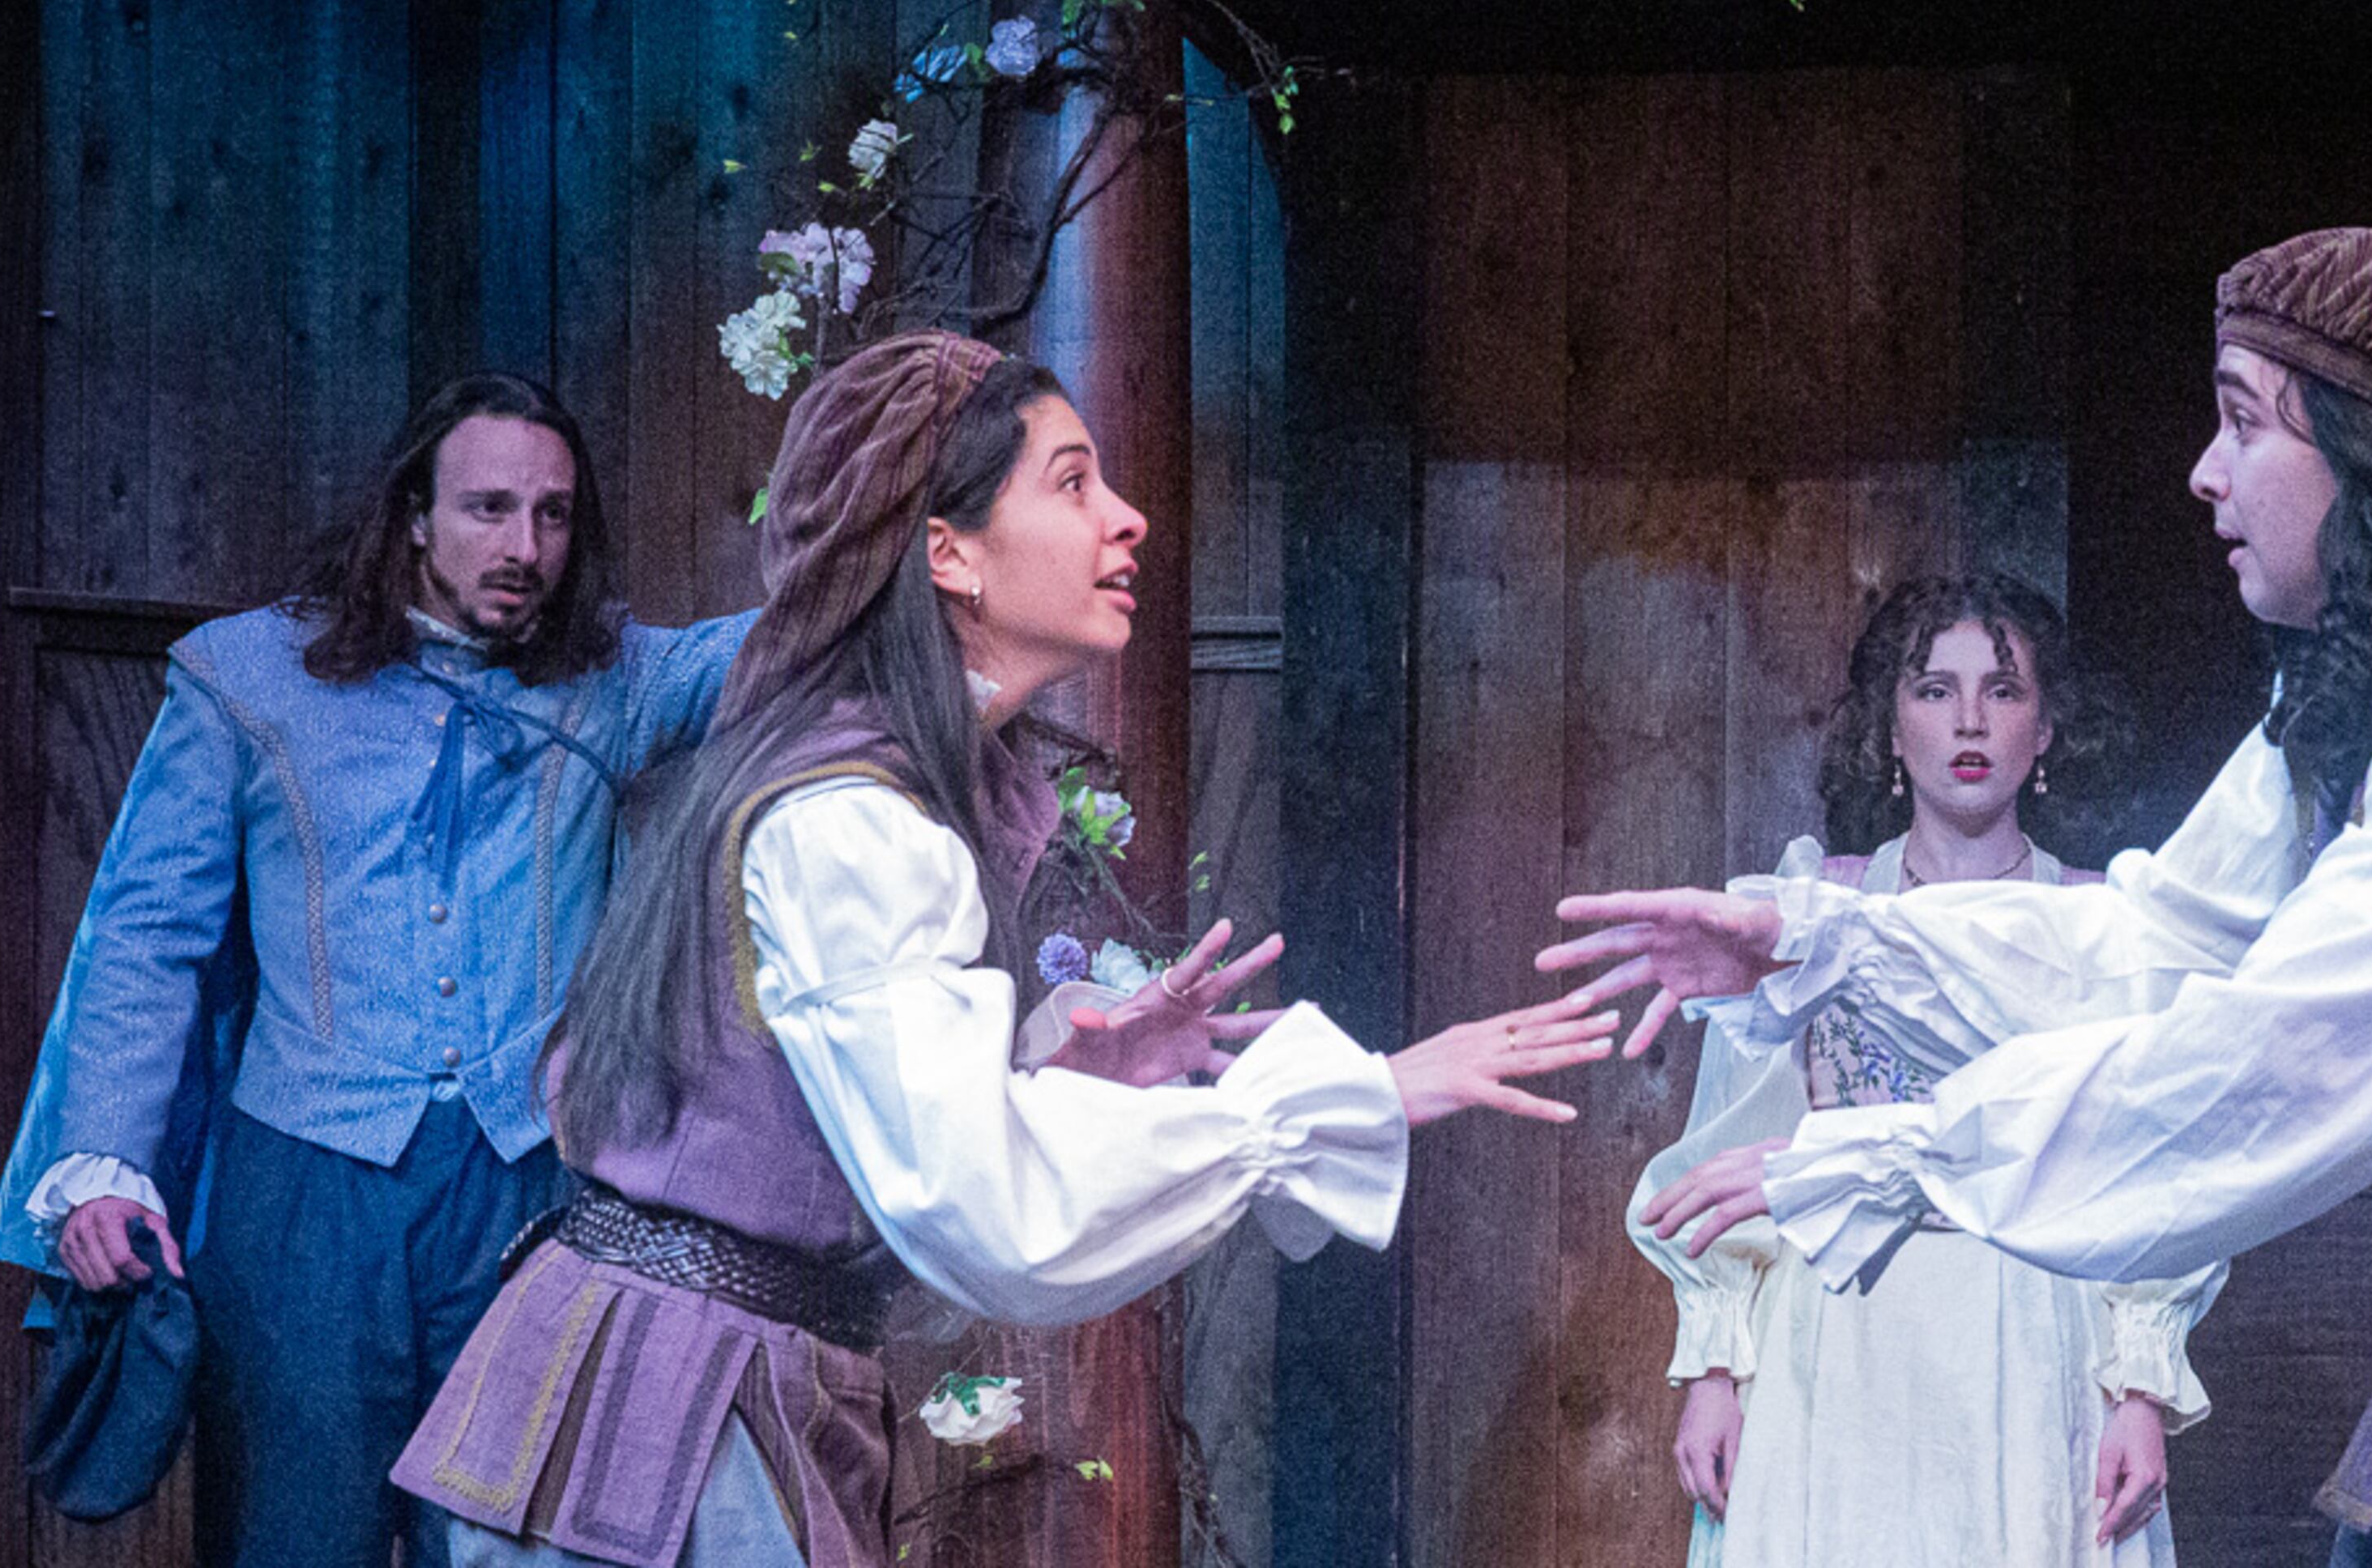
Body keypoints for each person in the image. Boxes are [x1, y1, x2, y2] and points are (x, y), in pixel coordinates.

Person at [1551, 224, 2372, 1566]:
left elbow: (2274, 1059)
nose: (2204, 470)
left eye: (2245, 423)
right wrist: (1826, 941)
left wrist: (1893, 1156)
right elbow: (2159, 942)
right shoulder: (2362, 698)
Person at [394, 331, 1619, 1567]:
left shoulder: (884, 786)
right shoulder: (848, 819)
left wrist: (1054, 1082)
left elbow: (853, 1135)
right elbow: (978, 1210)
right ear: (949, 552)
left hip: (720, 1394)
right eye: (1073, 482)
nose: (1127, 519)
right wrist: (1338, 1100)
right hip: (671, 1431)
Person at [0, 374, 755, 1566]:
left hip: (532, 1185)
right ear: (413, 515)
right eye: (490, 509)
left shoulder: (616, 681)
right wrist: (103, 1163)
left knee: (520, 1541)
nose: (525, 546)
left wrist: (928, 511)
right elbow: (146, 935)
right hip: (305, 1192)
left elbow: (791, 650)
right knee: (297, 1540)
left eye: (552, 515)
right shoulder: (246, 678)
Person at [1631, 573, 2221, 1568]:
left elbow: (2155, 1164)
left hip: (2033, 1325)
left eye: (2004, 690)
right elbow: (1733, 1143)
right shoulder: (1814, 908)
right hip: (1842, 1330)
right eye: (1935, 691)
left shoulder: (2098, 923)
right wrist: (1716, 1370)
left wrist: (2142, 1387)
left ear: (2045, 731)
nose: (1970, 719)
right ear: (1891, 732)